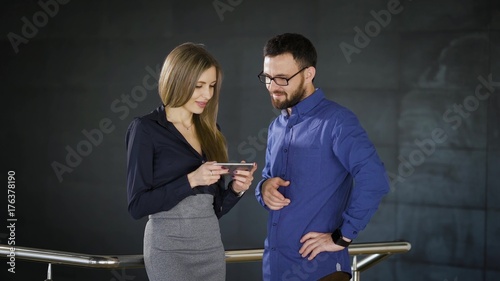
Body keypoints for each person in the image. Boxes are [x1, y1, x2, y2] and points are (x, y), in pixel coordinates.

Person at [255, 33, 390, 281]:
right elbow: (267, 177)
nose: (273, 86)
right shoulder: (277, 127)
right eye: (268, 78)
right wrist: (263, 188)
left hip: (321, 272)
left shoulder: (338, 121)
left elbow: (375, 178)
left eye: (283, 78)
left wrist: (343, 236)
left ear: (308, 74)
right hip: (275, 270)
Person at [126, 42, 257, 281]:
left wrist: (236, 190)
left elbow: (214, 209)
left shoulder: (211, 131)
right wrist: (191, 180)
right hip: (167, 249)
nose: (207, 94)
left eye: (212, 86)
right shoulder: (146, 129)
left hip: (210, 248)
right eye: (199, 86)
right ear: (177, 81)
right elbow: (138, 206)